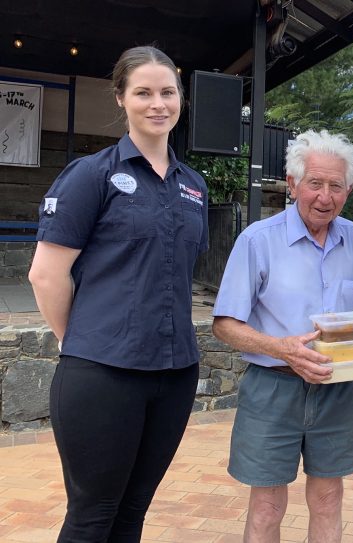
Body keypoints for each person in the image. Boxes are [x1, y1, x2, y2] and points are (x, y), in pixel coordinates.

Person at [28, 45, 208, 541]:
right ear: (121, 99)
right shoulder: (92, 175)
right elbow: (45, 275)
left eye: (168, 92)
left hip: (174, 374)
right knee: (92, 517)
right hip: (103, 372)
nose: (158, 104)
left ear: (181, 99)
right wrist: (80, 340)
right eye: (143, 92)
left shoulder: (193, 185)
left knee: (132, 513)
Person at [211, 129, 353, 543]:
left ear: (348, 190)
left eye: (336, 186)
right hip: (274, 389)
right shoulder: (257, 240)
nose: (325, 196)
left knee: (328, 500)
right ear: (292, 185)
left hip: (339, 391)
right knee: (268, 507)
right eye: (315, 183)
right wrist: (281, 349)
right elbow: (224, 324)